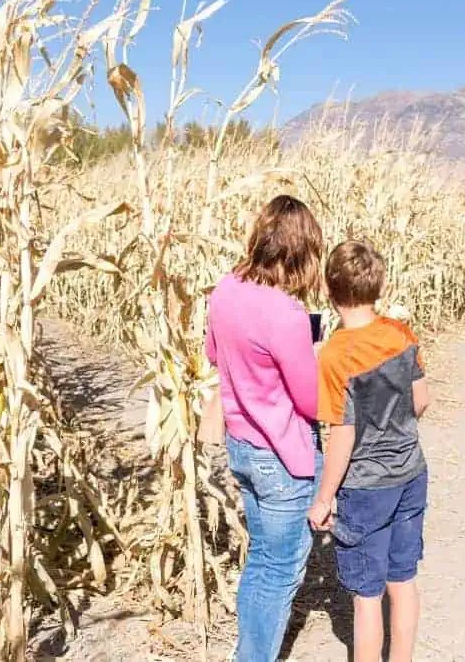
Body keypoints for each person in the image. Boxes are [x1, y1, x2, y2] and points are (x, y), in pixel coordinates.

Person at [205, 195, 324, 661]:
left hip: (242, 447)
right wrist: (318, 358)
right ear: (300, 252)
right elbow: (311, 401)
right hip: (282, 457)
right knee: (280, 569)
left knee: (261, 561)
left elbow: (216, 355)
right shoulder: (287, 313)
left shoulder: (226, 288)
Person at [308, 240, 432, 662]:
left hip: (366, 488)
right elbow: (421, 401)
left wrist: (323, 499)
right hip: (412, 473)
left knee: (366, 596)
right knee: (403, 580)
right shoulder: (401, 334)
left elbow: (341, 437)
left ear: (328, 290)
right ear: (380, 285)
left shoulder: (335, 355)